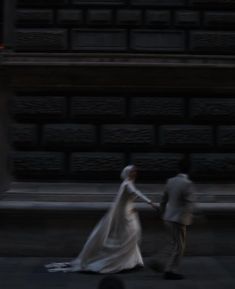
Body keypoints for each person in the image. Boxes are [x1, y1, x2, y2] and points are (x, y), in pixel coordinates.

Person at [45, 165, 157, 273]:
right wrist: (150, 202)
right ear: (128, 173)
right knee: (129, 235)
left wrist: (133, 206)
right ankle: (119, 261)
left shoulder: (130, 183)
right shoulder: (127, 184)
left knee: (131, 235)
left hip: (130, 213)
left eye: (135, 172)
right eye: (133, 172)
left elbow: (130, 198)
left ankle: (132, 260)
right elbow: (135, 192)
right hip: (125, 215)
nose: (135, 174)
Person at [159, 158, 195, 280]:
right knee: (179, 247)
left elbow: (163, 200)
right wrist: (186, 219)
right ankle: (170, 270)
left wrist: (163, 213)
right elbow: (189, 204)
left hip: (168, 217)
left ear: (178, 168)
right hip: (178, 219)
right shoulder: (187, 183)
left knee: (173, 244)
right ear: (189, 169)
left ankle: (160, 263)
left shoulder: (170, 181)